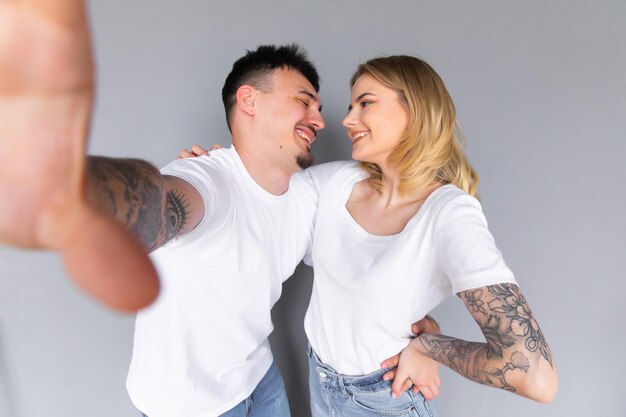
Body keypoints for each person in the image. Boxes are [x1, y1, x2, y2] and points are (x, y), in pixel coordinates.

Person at [0, 1, 440, 416]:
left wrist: (428, 337)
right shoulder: (207, 182)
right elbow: (155, 202)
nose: (320, 119)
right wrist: (61, 186)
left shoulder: (311, 195)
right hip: (186, 406)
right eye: (303, 100)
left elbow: (375, 262)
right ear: (249, 100)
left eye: (320, 107)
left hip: (261, 382)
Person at [181, 55, 559, 416]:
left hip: (386, 399)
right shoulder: (336, 182)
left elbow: (535, 375)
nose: (348, 120)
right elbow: (258, 193)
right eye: (350, 107)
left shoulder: (450, 213)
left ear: (415, 110)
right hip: (320, 382)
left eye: (365, 103)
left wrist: (430, 346)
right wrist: (215, 175)